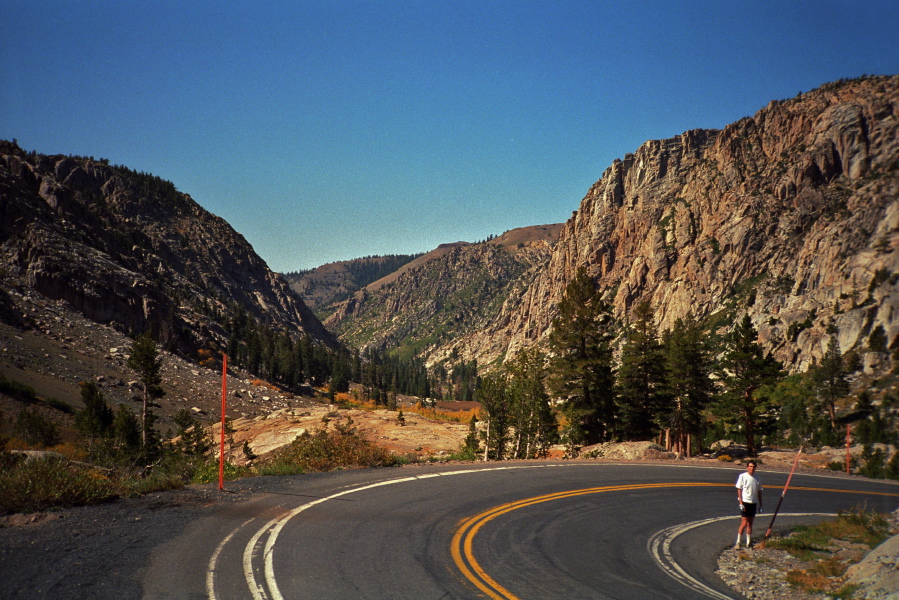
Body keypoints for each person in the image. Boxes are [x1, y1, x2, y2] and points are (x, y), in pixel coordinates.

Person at [735, 460, 763, 548]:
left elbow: (759, 491)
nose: (752, 468)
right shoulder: (743, 476)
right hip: (745, 502)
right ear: (747, 467)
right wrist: (740, 502)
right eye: (750, 466)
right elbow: (739, 489)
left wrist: (761, 504)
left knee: (750, 523)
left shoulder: (757, 478)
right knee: (744, 522)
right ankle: (738, 542)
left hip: (753, 503)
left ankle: (748, 542)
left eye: (753, 467)